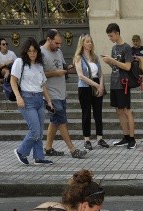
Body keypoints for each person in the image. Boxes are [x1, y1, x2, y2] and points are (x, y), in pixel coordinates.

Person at [11, 38, 55, 166]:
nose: (32, 53)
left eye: (34, 51)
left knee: (39, 131)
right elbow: (13, 81)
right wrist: (18, 97)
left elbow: (43, 85)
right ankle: (21, 151)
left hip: (39, 99)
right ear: (25, 51)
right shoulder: (20, 62)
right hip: (27, 99)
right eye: (29, 51)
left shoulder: (39, 65)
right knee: (34, 130)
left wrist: (49, 101)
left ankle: (39, 157)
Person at [41, 29, 79, 158]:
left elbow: (61, 67)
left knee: (55, 121)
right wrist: (55, 73)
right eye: (56, 43)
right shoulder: (40, 53)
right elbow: (38, 74)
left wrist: (68, 68)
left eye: (60, 44)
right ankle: (72, 149)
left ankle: (48, 147)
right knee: (62, 121)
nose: (59, 46)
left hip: (61, 92)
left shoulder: (58, 51)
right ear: (49, 39)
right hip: (51, 94)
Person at [103, 22, 138, 149]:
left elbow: (128, 67)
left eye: (111, 35)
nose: (110, 38)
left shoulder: (126, 47)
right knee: (118, 111)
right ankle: (125, 136)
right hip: (114, 83)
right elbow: (115, 67)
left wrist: (113, 60)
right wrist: (109, 62)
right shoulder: (114, 49)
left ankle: (132, 139)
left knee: (126, 110)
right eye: (109, 36)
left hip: (124, 84)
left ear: (117, 33)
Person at [74, 34, 107, 153]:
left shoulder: (95, 57)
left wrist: (101, 85)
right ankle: (87, 140)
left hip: (97, 85)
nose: (90, 43)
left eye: (91, 41)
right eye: (87, 41)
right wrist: (96, 85)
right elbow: (81, 76)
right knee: (86, 113)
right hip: (85, 87)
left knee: (98, 112)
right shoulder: (78, 57)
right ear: (82, 43)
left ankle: (100, 138)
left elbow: (100, 73)